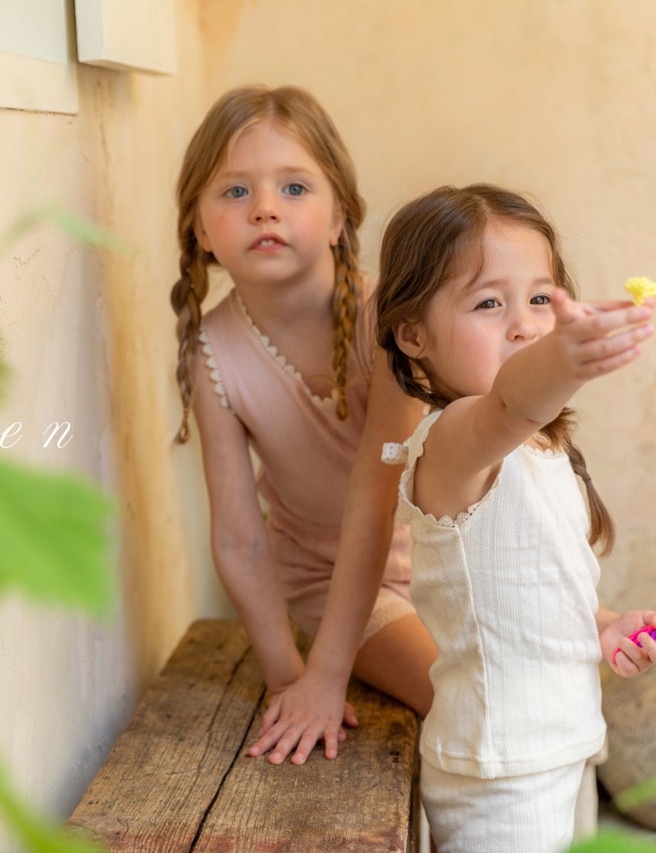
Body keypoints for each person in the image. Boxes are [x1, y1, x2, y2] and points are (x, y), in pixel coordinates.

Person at [373, 183, 656, 853]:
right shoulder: (452, 443)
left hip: (563, 744)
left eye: (541, 299)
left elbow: (541, 592)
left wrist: (605, 626)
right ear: (413, 335)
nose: (523, 324)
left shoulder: (543, 448)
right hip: (501, 777)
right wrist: (564, 358)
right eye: (489, 303)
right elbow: (512, 402)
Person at [170, 84, 436, 766]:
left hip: (448, 557)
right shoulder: (213, 351)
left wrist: (325, 674)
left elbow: (378, 498)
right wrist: (295, 676)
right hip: (335, 583)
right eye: (235, 191)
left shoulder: (388, 322)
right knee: (458, 696)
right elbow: (238, 538)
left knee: (541, 681)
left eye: (293, 187)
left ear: (339, 215)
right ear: (199, 228)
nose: (264, 207)